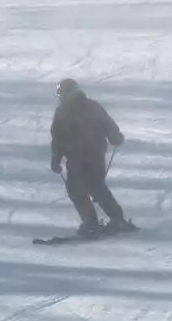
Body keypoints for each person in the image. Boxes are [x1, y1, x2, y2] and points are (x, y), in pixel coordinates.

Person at [50, 78, 134, 238]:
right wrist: (56, 158)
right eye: (60, 94)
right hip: (85, 155)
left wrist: (115, 136)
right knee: (90, 187)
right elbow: (58, 138)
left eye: (63, 94)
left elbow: (107, 125)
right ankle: (104, 221)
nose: (61, 97)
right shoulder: (88, 107)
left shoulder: (70, 111)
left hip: (86, 155)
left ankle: (98, 222)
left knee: (87, 187)